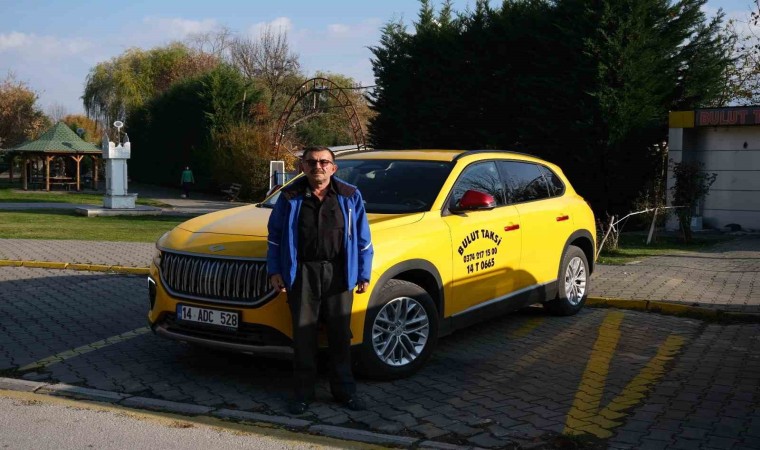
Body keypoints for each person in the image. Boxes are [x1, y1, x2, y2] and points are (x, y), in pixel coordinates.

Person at [266, 146, 373, 415]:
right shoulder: (289, 196)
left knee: (340, 334)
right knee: (303, 335)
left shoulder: (349, 195)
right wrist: (275, 270)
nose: (318, 166)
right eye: (312, 162)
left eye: (324, 162)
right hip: (302, 272)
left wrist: (363, 272)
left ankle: (345, 391)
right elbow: (275, 236)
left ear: (333, 168)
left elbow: (363, 237)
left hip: (339, 272)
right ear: (302, 166)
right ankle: (303, 394)